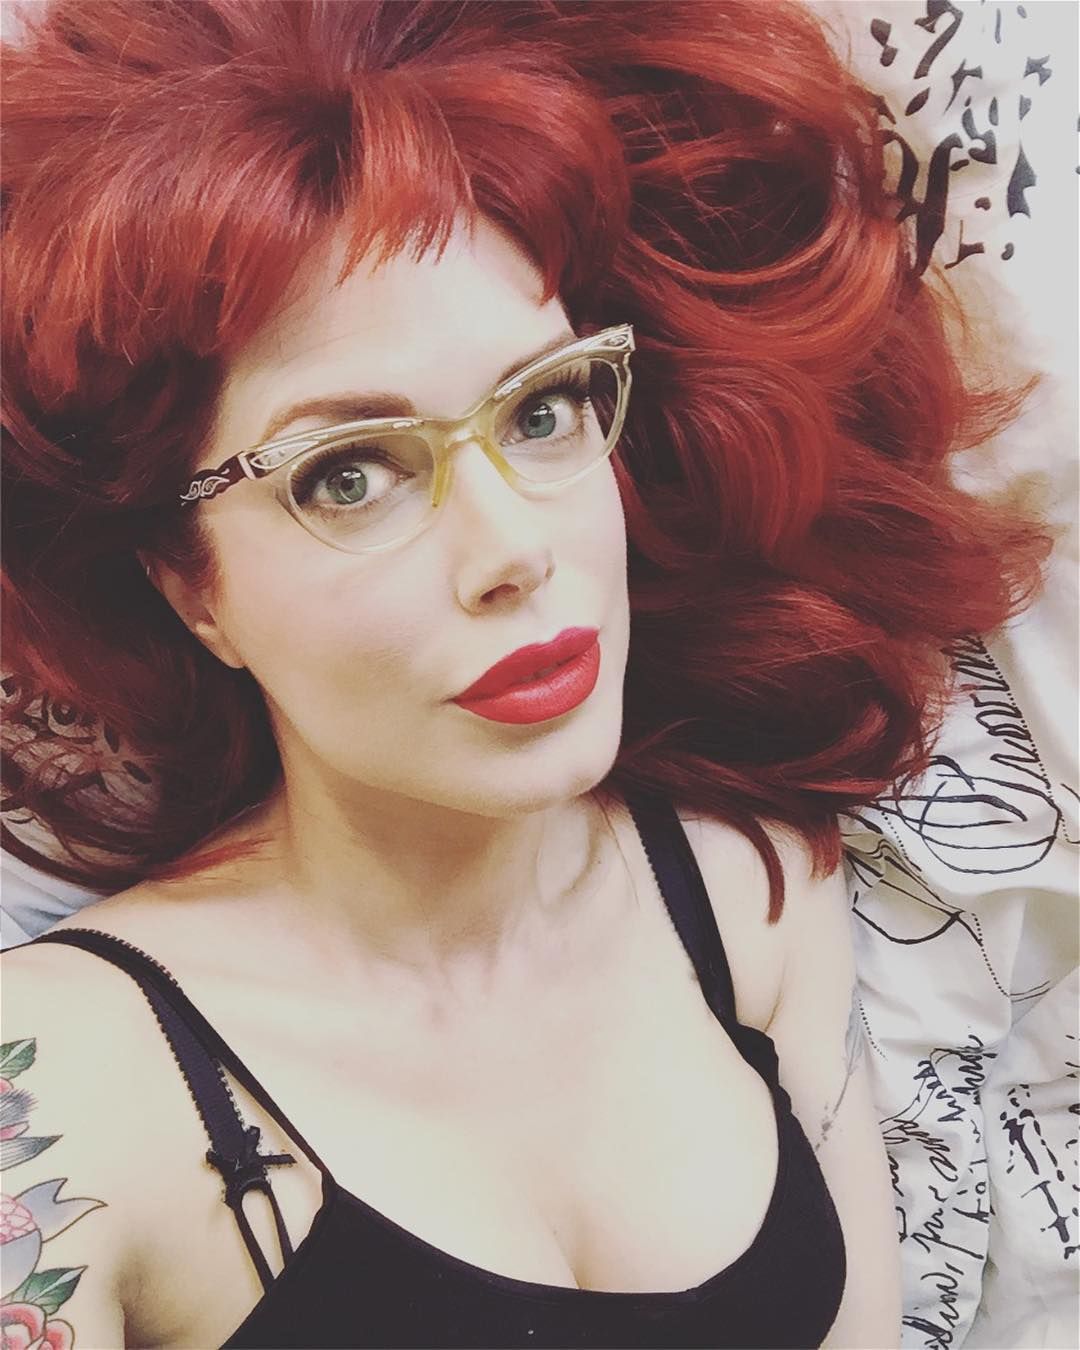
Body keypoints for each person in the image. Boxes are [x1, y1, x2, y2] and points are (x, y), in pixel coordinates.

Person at [0, 2, 1049, 1347]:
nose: (513, 549)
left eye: (542, 409)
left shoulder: (751, 888)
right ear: (190, 585)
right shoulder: (68, 1090)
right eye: (350, 474)